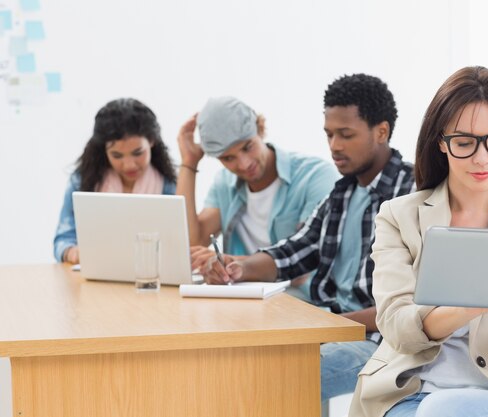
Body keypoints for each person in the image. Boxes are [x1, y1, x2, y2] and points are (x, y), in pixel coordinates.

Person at [349, 66, 488, 417]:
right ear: (441, 142)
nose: (482, 158)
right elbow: (397, 327)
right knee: (439, 408)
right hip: (410, 390)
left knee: (447, 410)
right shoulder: (399, 216)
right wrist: (470, 303)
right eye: (465, 143)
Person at [201, 74, 415, 401]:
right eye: (329, 135)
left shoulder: (413, 194)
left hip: (380, 342)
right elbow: (293, 251)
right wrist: (239, 267)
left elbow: (409, 308)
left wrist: (324, 326)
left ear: (381, 131)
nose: (334, 146)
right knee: (232, 356)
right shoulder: (341, 194)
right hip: (332, 328)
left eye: (346, 135)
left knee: (273, 377)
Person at [176, 96, 338, 298]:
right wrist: (189, 163)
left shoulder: (315, 177)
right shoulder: (224, 185)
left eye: (247, 147)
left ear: (259, 129)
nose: (243, 164)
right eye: (228, 158)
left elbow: (307, 262)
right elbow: (193, 241)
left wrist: (231, 262)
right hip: (244, 306)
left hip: (305, 306)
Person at [53, 98, 177, 264]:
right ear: (104, 150)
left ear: (152, 141)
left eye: (138, 152)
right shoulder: (83, 180)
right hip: (95, 274)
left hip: (149, 275)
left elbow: (177, 244)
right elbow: (63, 238)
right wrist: (72, 252)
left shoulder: (167, 184)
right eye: (117, 155)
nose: (129, 165)